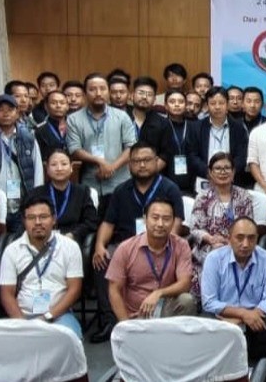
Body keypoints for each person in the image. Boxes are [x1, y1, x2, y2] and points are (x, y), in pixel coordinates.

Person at [91, 143, 187, 342]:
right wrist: (99, 244)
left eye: (147, 160)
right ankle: (111, 320)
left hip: (159, 243)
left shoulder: (169, 188)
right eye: (137, 161)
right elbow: (108, 223)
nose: (142, 165)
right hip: (124, 245)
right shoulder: (121, 190)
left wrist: (163, 242)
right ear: (129, 165)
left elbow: (175, 222)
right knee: (102, 260)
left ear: (156, 162)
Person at [201, 217, 266, 363]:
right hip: (224, 318)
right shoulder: (214, 259)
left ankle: (239, 351)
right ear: (229, 238)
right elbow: (209, 302)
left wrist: (246, 318)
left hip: (254, 319)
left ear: (257, 238)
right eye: (240, 238)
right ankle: (247, 351)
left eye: (251, 238)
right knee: (205, 320)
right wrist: (243, 314)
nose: (245, 244)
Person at [0, 195, 85, 338]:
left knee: (68, 338)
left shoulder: (70, 247)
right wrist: (22, 324)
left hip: (59, 315)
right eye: (31, 218)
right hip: (23, 316)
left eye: (43, 217)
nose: (37, 222)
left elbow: (74, 290)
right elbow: (7, 294)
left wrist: (47, 316)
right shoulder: (12, 251)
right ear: (24, 221)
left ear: (54, 219)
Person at [106, 199, 198, 322]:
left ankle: (174, 334)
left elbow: (185, 283)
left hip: (167, 311)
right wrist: (125, 324)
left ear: (173, 222)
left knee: (187, 300)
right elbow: (114, 289)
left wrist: (159, 293)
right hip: (136, 314)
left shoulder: (181, 245)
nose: (160, 224)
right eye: (155, 218)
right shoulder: (126, 248)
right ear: (145, 219)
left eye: (166, 219)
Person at [0, 95, 44, 235]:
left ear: (17, 113)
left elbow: (38, 172)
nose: (5, 113)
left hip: (21, 204)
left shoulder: (29, 139)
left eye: (10, 109)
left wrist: (35, 200)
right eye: (0, 109)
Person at [66, 73, 137, 212]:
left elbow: (131, 147)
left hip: (120, 182)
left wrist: (112, 167)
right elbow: (74, 149)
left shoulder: (122, 117)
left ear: (108, 92)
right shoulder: (73, 119)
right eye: (92, 89)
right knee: (92, 221)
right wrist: (100, 161)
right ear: (85, 93)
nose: (98, 93)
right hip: (90, 183)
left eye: (102, 89)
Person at [189, 153, 256, 295]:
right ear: (210, 173)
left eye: (227, 168)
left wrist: (230, 242)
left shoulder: (244, 196)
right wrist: (211, 239)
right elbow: (195, 229)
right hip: (208, 246)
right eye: (218, 168)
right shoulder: (202, 198)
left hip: (238, 245)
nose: (223, 172)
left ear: (233, 172)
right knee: (214, 257)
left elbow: (249, 225)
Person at [27, 150, 99, 244]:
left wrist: (73, 234)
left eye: (64, 164)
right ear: (47, 169)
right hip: (41, 241)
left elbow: (91, 222)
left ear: (71, 167)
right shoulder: (36, 193)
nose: (59, 168)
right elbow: (27, 221)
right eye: (54, 164)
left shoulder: (82, 192)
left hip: (71, 241)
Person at [192, 87, 252, 189]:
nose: (217, 107)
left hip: (232, 180)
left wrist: (228, 173)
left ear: (227, 104)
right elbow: (193, 155)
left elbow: (241, 156)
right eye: (213, 103)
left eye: (221, 103)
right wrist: (209, 173)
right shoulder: (196, 127)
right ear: (207, 105)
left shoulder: (238, 128)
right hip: (205, 179)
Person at [156, 89, 200, 190]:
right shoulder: (159, 126)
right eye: (172, 102)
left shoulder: (194, 127)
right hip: (165, 179)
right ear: (166, 106)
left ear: (185, 105)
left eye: (181, 102)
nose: (177, 105)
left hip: (191, 180)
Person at [34, 89, 70, 168]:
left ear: (67, 106)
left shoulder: (75, 126)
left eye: (62, 103)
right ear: (46, 106)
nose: (58, 106)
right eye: (53, 103)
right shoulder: (39, 130)